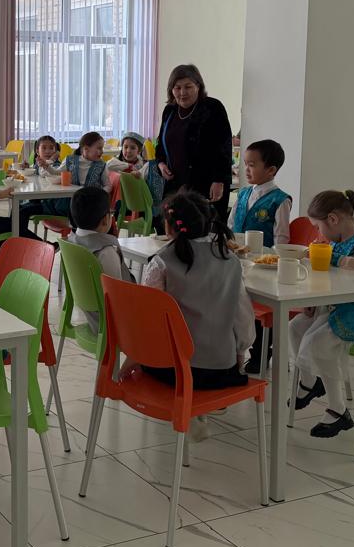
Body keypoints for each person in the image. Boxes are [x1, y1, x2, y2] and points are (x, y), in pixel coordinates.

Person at [125, 191, 253, 442]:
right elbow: (243, 319)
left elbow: (149, 321)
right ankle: (197, 407)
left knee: (169, 356)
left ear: (169, 226)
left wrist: (133, 357)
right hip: (220, 370)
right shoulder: (230, 260)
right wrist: (239, 354)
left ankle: (191, 407)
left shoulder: (162, 261)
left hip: (172, 370)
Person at [289, 190, 354, 439]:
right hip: (336, 306)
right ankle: (309, 382)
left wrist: (335, 258)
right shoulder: (333, 243)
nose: (318, 232)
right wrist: (313, 301)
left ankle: (338, 409)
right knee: (296, 327)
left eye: (318, 226)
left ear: (332, 219)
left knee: (318, 342)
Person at [154, 63, 234, 231]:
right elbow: (161, 144)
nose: (182, 92)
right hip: (175, 184)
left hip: (206, 182)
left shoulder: (212, 108)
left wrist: (219, 180)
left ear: (198, 86)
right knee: (171, 229)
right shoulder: (169, 110)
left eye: (188, 87)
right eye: (177, 87)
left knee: (204, 230)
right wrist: (161, 164)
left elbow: (224, 146)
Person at [67, 186, 133, 330]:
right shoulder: (106, 252)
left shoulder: (70, 242)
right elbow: (116, 295)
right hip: (112, 325)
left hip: (92, 318)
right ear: (105, 220)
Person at [231, 139, 291, 248]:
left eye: (251, 165)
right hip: (236, 253)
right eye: (245, 164)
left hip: (262, 256)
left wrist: (274, 255)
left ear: (271, 170)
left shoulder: (280, 200)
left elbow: (280, 238)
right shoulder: (243, 193)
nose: (246, 169)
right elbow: (231, 223)